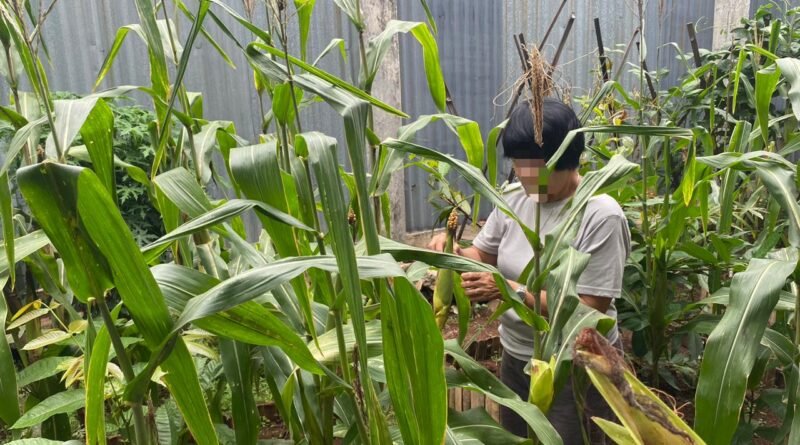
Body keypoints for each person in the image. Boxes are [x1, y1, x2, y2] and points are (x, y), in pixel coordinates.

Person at [428, 98, 630, 444]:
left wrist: (509, 290)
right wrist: (454, 252)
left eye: (537, 169)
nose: (526, 178)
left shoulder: (600, 215)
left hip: (574, 366)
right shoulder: (513, 198)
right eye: (520, 166)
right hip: (516, 356)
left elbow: (590, 311)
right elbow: (483, 253)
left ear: (568, 159)